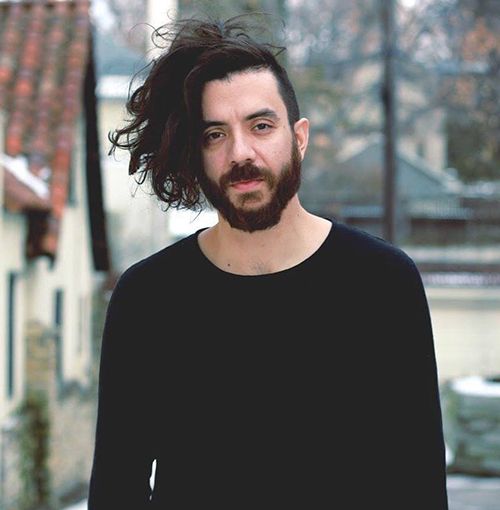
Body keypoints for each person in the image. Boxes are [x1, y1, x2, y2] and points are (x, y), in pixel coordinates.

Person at [88, 13, 449, 509]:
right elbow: (116, 489)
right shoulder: (149, 298)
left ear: (299, 137)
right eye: (215, 134)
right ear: (197, 153)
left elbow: (419, 485)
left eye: (261, 126)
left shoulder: (382, 283)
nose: (241, 153)